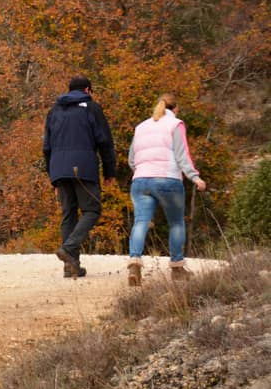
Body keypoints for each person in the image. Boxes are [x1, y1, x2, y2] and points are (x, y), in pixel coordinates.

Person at [127, 93, 206, 286]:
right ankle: (177, 268)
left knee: (140, 222)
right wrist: (194, 176)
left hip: (140, 180)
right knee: (177, 223)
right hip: (167, 179)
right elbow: (182, 155)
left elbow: (131, 159)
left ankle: (134, 264)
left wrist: (143, 172)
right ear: (175, 109)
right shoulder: (175, 124)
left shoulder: (141, 127)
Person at [42, 75, 117, 278]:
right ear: (87, 90)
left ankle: (71, 266)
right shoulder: (92, 108)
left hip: (59, 168)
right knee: (92, 210)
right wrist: (109, 171)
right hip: (83, 167)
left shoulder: (54, 111)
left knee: (69, 214)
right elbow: (105, 141)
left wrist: (53, 177)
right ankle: (69, 248)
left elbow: (46, 146)